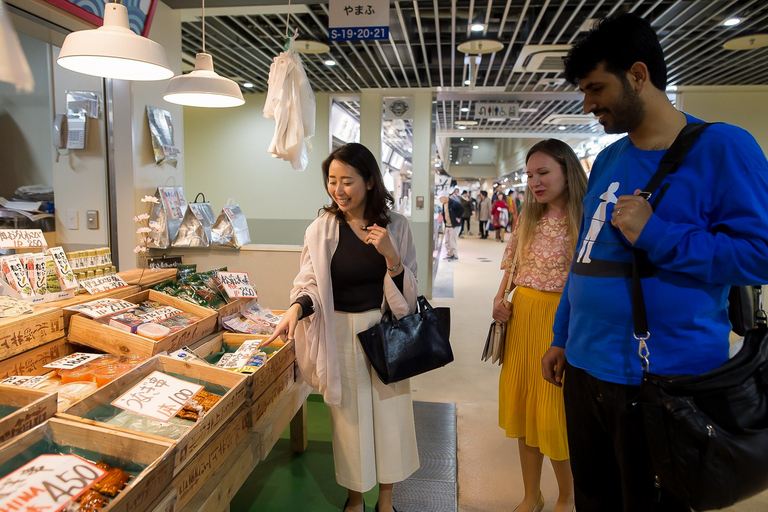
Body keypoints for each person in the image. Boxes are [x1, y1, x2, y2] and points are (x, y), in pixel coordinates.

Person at [541, 13, 768, 512]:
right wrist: (562, 336)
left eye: (596, 87)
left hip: (664, 380)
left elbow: (760, 254)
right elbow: (586, 257)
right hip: (584, 371)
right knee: (595, 498)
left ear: (638, 75)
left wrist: (659, 235)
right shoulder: (607, 158)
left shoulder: (723, 148)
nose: (589, 103)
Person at [265, 143, 420, 512]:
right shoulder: (322, 229)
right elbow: (310, 283)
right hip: (338, 332)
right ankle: (355, 498)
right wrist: (295, 310)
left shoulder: (396, 226)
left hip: (384, 332)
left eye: (347, 181)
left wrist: (392, 257)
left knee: (389, 417)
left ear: (369, 181)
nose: (338, 189)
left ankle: (385, 500)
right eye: (332, 181)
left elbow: (410, 295)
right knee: (349, 420)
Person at [493, 139, 587, 512]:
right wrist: (500, 299)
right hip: (522, 317)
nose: (535, 182)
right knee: (523, 409)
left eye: (543, 172)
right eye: (530, 174)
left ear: (567, 170)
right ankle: (531, 495)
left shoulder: (585, 218)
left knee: (553, 415)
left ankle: (568, 495)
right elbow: (513, 265)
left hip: (561, 321)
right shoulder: (528, 216)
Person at [439, 190, 463, 261]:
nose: (440, 200)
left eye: (441, 199)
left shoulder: (453, 203)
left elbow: (462, 208)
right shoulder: (444, 204)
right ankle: (450, 254)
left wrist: (458, 217)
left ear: (444, 197)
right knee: (447, 241)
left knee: (452, 241)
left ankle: (455, 255)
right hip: (448, 225)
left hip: (454, 226)